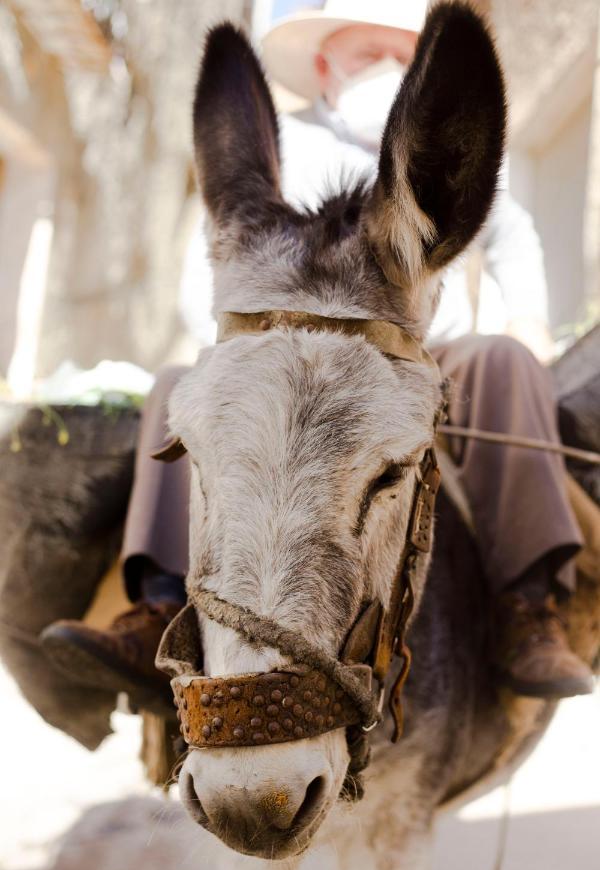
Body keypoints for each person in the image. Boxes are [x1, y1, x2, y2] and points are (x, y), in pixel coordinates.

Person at [42, 0, 593, 706]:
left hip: (410, 357)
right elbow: (205, 275)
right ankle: (156, 605)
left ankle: (528, 604)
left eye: (403, 56)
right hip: (283, 359)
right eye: (369, 55)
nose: (389, 71)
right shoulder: (288, 148)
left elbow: (512, 237)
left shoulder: (434, 153)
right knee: (183, 382)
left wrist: (528, 321)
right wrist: (262, 348)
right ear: (327, 65)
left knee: (504, 362)